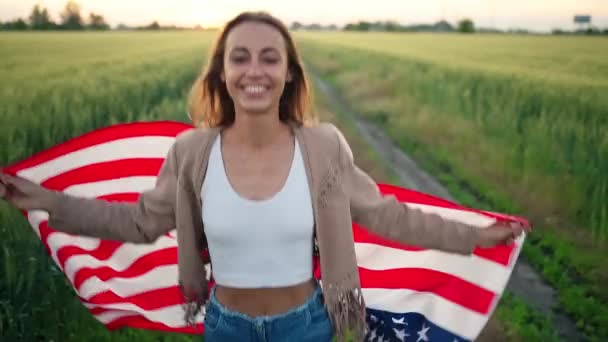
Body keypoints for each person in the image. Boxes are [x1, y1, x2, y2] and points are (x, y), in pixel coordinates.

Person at [0, 11, 528, 342]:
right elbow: (138, 222)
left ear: (289, 72)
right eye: (241, 58)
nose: (255, 70)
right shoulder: (191, 152)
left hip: (305, 325)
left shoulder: (323, 147)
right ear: (222, 73)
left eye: (270, 58)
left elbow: (387, 217)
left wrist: (476, 237)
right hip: (225, 327)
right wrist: (47, 200)